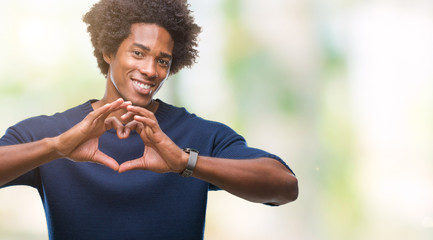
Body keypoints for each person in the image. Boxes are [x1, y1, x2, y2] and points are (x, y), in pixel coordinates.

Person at [0, 0, 298, 239]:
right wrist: (56, 148)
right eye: (138, 53)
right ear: (108, 51)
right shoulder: (51, 133)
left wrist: (185, 163)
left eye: (162, 60)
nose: (151, 70)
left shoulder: (197, 135)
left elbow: (285, 186)